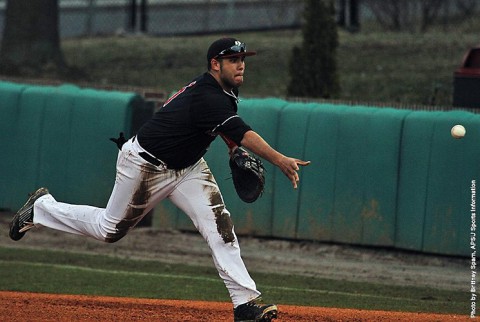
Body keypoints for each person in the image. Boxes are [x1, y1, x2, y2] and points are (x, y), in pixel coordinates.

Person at [9, 37, 310, 322]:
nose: (241, 64)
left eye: (242, 58)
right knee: (109, 230)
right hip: (144, 165)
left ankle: (244, 304)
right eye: (233, 59)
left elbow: (224, 129)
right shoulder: (209, 95)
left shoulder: (223, 91)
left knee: (220, 226)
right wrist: (279, 159)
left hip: (188, 167)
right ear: (215, 64)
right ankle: (41, 208)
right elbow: (241, 131)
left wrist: (233, 150)